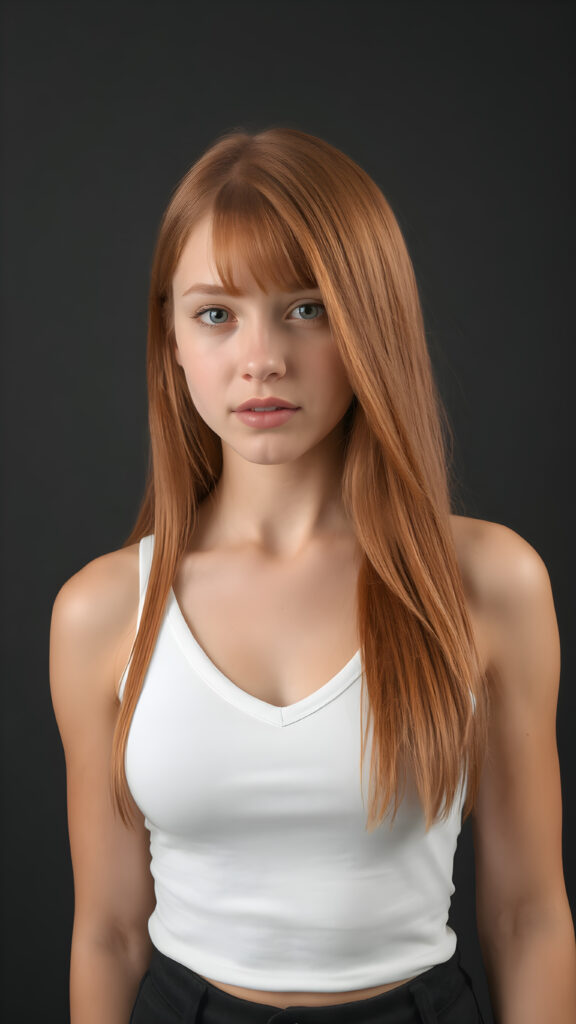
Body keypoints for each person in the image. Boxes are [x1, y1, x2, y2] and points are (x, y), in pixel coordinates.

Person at [49, 127, 576, 1024]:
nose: (262, 359)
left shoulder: (489, 583)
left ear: (372, 321)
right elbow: (107, 932)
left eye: (307, 308)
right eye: (216, 314)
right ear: (170, 340)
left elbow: (527, 915)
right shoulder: (103, 611)